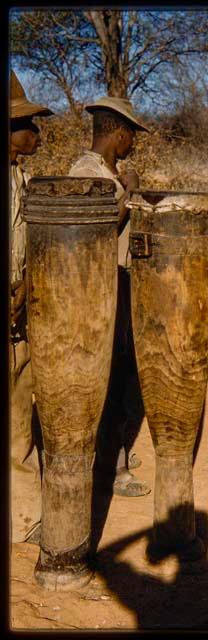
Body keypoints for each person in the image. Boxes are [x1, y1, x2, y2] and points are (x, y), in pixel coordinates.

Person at [69, 97, 150, 497]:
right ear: (118, 134)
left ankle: (112, 450)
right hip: (100, 286)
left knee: (121, 374)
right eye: (131, 135)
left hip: (119, 280)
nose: (133, 143)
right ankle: (113, 469)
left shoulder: (107, 171)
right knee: (110, 378)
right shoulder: (85, 171)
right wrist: (129, 193)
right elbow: (97, 227)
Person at [10, 70, 54, 543]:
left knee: (20, 421)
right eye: (29, 125)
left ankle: (22, 520)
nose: (36, 135)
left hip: (16, 318)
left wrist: (23, 283)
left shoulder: (20, 178)